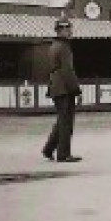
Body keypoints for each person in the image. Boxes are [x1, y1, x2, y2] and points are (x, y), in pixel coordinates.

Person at [42, 16, 82, 162]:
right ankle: (63, 154)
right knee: (66, 122)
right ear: (62, 30)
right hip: (64, 87)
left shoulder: (54, 45)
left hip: (56, 86)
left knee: (62, 120)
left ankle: (48, 149)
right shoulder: (64, 47)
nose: (71, 31)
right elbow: (67, 70)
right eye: (69, 28)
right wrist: (76, 90)